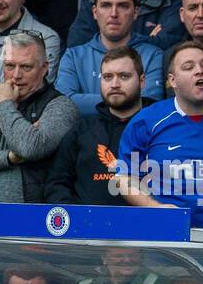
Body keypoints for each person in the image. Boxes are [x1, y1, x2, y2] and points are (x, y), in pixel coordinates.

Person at [115, 40, 203, 229]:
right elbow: (124, 177)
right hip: (165, 239)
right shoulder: (146, 122)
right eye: (188, 67)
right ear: (172, 80)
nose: (199, 71)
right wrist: (154, 207)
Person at [0, 30, 79, 203]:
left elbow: (30, 148)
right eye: (10, 66)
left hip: (31, 221)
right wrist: (9, 157)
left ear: (44, 68)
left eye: (26, 67)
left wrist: (4, 105)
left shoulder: (60, 105)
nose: (16, 76)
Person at [47, 45, 153, 204]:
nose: (115, 84)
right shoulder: (82, 130)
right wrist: (77, 219)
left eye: (124, 76)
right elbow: (56, 183)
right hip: (88, 226)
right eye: (108, 77)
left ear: (142, 80)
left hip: (148, 225)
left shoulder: (160, 126)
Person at [56, 0, 164, 115]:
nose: (114, 14)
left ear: (135, 12)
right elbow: (63, 105)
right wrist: (124, 101)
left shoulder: (153, 55)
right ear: (95, 12)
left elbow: (150, 104)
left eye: (123, 6)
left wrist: (82, 101)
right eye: (106, 5)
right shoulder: (73, 56)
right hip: (85, 136)